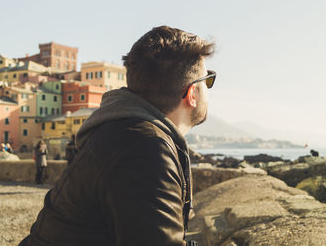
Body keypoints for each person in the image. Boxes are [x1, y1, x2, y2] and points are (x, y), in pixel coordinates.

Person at [21, 26, 216, 246]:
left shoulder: (123, 133)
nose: (208, 89)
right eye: (207, 81)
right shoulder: (145, 149)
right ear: (191, 94)